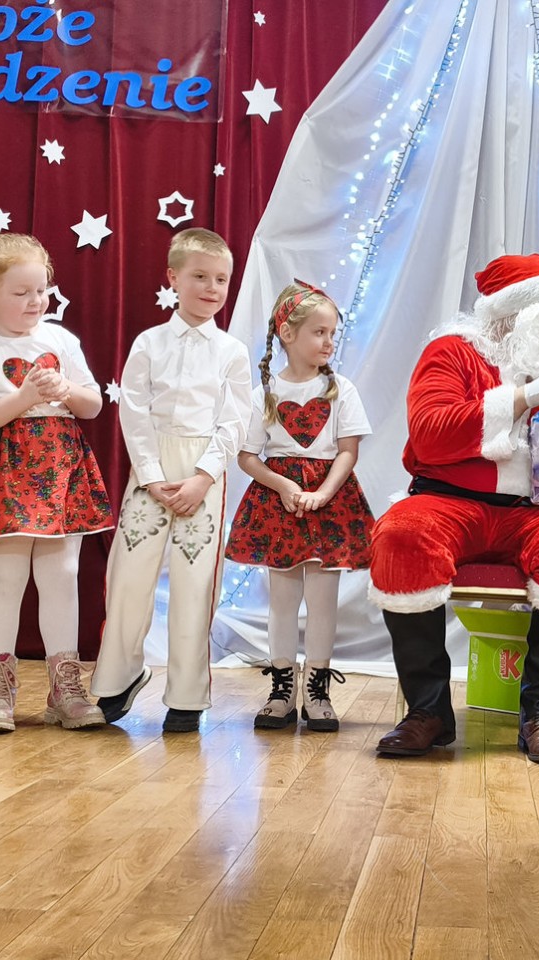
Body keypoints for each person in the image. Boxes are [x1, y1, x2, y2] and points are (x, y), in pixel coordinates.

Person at [368, 253, 539, 766]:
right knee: (402, 534)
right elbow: (431, 432)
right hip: (449, 499)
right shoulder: (452, 352)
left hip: (536, 510)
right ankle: (427, 711)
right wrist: (522, 396)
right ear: (512, 310)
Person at [0, 228, 111, 734]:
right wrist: (22, 398)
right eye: (21, 292)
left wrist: (65, 389)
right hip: (4, 472)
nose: (35, 301)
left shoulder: (60, 339)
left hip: (60, 467)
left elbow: (93, 404)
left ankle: (65, 687)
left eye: (41, 290)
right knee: (6, 579)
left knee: (61, 576)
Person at [92, 228, 251, 734]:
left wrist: (203, 477)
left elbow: (235, 421)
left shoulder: (231, 351)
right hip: (152, 466)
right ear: (173, 279)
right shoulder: (149, 343)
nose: (211, 288)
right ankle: (118, 677)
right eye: (200, 276)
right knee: (129, 577)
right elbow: (135, 412)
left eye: (221, 279)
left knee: (194, 584)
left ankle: (186, 695)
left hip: (203, 469)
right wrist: (152, 476)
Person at [226, 280, 374, 732]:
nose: (329, 342)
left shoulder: (341, 389)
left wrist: (323, 493)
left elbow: (347, 451)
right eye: (319, 332)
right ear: (287, 334)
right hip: (279, 504)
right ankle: (282, 688)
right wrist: (284, 485)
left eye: (332, 334)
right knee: (282, 601)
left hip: (330, 501)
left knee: (323, 601)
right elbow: (248, 456)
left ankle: (318, 689)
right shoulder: (264, 393)